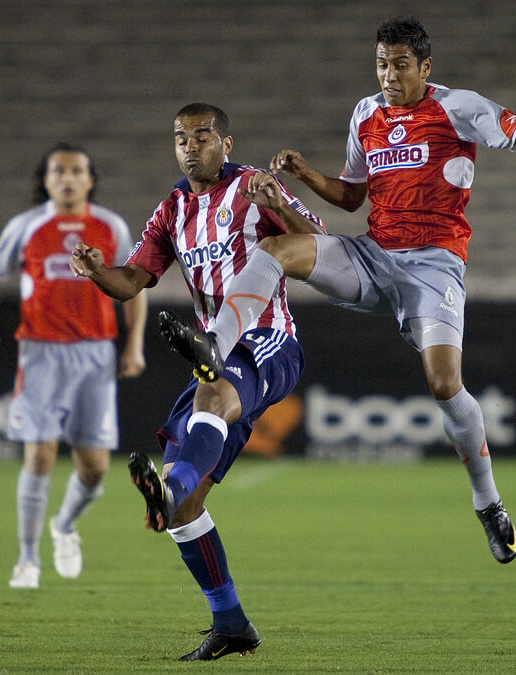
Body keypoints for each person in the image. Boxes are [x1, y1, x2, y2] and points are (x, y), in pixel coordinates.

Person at [159, 16, 516, 565]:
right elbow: (350, 198)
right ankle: (215, 347)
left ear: (425, 67)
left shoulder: (455, 106)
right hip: (372, 255)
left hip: (433, 267)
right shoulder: (366, 114)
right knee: (276, 251)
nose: (389, 75)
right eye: (381, 64)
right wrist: (307, 175)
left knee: (444, 385)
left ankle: (488, 502)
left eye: (400, 65)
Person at [69, 102, 325, 660]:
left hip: (267, 340)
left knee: (210, 391)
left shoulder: (255, 187)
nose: (190, 145)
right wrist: (97, 273)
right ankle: (231, 624)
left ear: (226, 144)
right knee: (186, 510)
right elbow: (134, 278)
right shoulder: (172, 210)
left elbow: (321, 250)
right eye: (180, 137)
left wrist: (281, 204)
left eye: (203, 136)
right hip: (214, 353)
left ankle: (173, 485)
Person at [0, 142, 147, 589]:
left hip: (95, 353)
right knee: (41, 454)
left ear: (90, 179)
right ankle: (27, 560)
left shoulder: (110, 227)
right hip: (41, 352)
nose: (67, 178)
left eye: (76, 170)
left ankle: (64, 526)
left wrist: (134, 344)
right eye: (58, 171)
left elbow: (133, 283)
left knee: (94, 469)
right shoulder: (27, 226)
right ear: (46, 180)